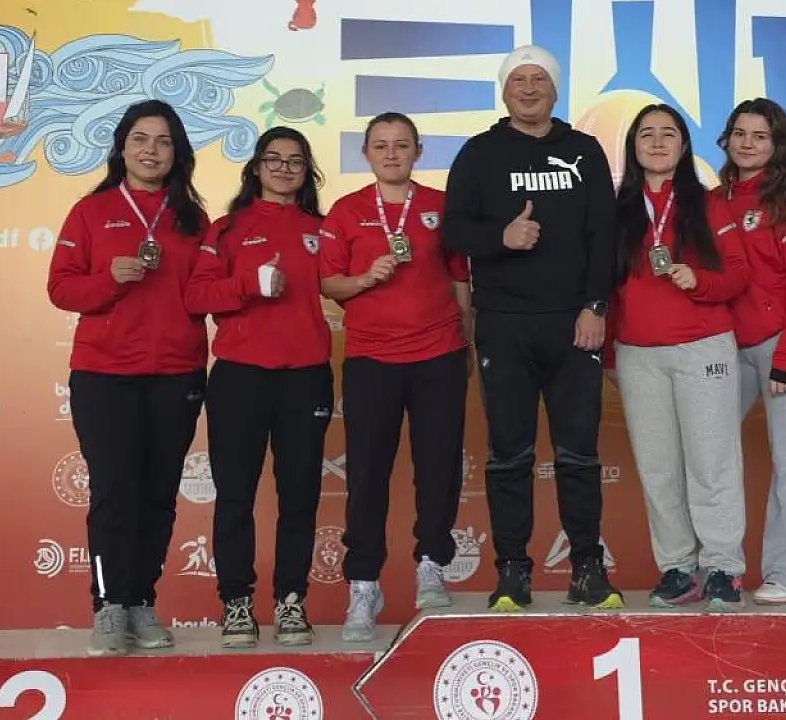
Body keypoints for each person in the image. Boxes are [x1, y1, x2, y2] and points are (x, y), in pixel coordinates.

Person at [442, 45, 623, 612]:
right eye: (518, 79)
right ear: (504, 90)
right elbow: (453, 231)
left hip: (573, 325)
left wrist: (596, 306)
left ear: (555, 89)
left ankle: (587, 568)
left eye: (538, 79)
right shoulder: (479, 153)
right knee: (509, 456)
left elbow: (605, 235)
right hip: (504, 326)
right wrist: (500, 238)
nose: (528, 88)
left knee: (578, 455)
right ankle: (512, 572)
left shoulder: (584, 151)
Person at [46, 99, 210, 657]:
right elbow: (61, 288)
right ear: (121, 147)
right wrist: (108, 278)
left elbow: (206, 291)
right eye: (140, 138)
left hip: (177, 373)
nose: (151, 150)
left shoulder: (193, 219)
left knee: (159, 496)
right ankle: (109, 605)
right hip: (105, 374)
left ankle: (141, 600)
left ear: (177, 152)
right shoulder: (91, 212)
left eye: (163, 141)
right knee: (114, 494)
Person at [319, 112, 474, 641]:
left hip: (438, 354)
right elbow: (329, 284)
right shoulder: (347, 210)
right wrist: (367, 277)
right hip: (371, 359)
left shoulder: (440, 206)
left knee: (438, 465)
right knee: (366, 474)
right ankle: (364, 583)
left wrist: (467, 340)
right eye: (381, 145)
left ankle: (432, 564)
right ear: (366, 153)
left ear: (418, 151)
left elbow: (460, 279)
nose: (391, 154)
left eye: (401, 145)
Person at [183, 126, 332, 649]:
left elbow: (348, 284)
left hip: (306, 375)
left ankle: (291, 601)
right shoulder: (227, 229)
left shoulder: (323, 229)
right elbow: (196, 296)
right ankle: (236, 603)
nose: (284, 168)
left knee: (300, 497)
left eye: (295, 161)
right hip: (240, 377)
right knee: (234, 496)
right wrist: (250, 285)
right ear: (256, 167)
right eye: (274, 159)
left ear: (307, 171)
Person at [604, 104, 749, 611]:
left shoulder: (708, 204)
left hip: (702, 346)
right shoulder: (617, 210)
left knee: (711, 463)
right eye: (647, 134)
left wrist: (700, 281)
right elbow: (606, 287)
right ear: (633, 146)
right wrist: (609, 353)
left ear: (684, 146)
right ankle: (678, 567)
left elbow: (738, 274)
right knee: (658, 468)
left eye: (669, 134)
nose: (658, 142)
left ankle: (724, 568)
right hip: (638, 354)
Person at [712, 98, 786, 605]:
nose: (747, 143)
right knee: (709, 453)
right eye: (740, 133)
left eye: (759, 136)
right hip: (725, 345)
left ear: (777, 145)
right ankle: (716, 566)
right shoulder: (712, 201)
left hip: (784, 341)